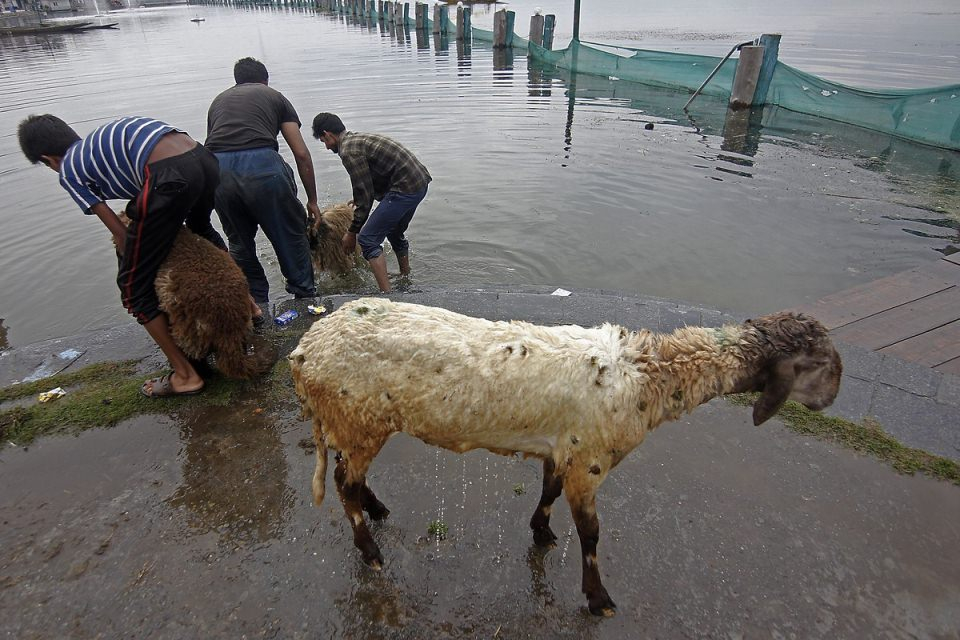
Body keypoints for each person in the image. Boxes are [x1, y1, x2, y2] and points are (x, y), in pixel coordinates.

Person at [17, 114, 247, 398]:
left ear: (48, 159)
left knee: (132, 288)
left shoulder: (68, 170)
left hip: (168, 173)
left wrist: (141, 267)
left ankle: (186, 375)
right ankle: (250, 307)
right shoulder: (98, 145)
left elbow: (121, 233)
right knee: (202, 229)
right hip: (203, 158)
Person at [205, 57, 319, 307]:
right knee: (290, 236)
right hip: (262, 167)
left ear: (236, 80)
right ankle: (305, 300)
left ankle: (255, 306)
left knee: (239, 244)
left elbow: (212, 145)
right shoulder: (274, 96)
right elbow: (300, 153)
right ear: (265, 80)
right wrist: (312, 201)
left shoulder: (218, 102)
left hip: (217, 172)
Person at [311, 112, 431, 293]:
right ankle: (405, 276)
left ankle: (387, 295)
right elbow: (369, 179)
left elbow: (364, 199)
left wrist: (351, 232)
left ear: (328, 134)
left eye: (324, 141)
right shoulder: (356, 139)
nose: (327, 147)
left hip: (405, 188)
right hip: (419, 183)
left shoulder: (348, 151)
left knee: (367, 240)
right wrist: (361, 197)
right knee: (394, 231)